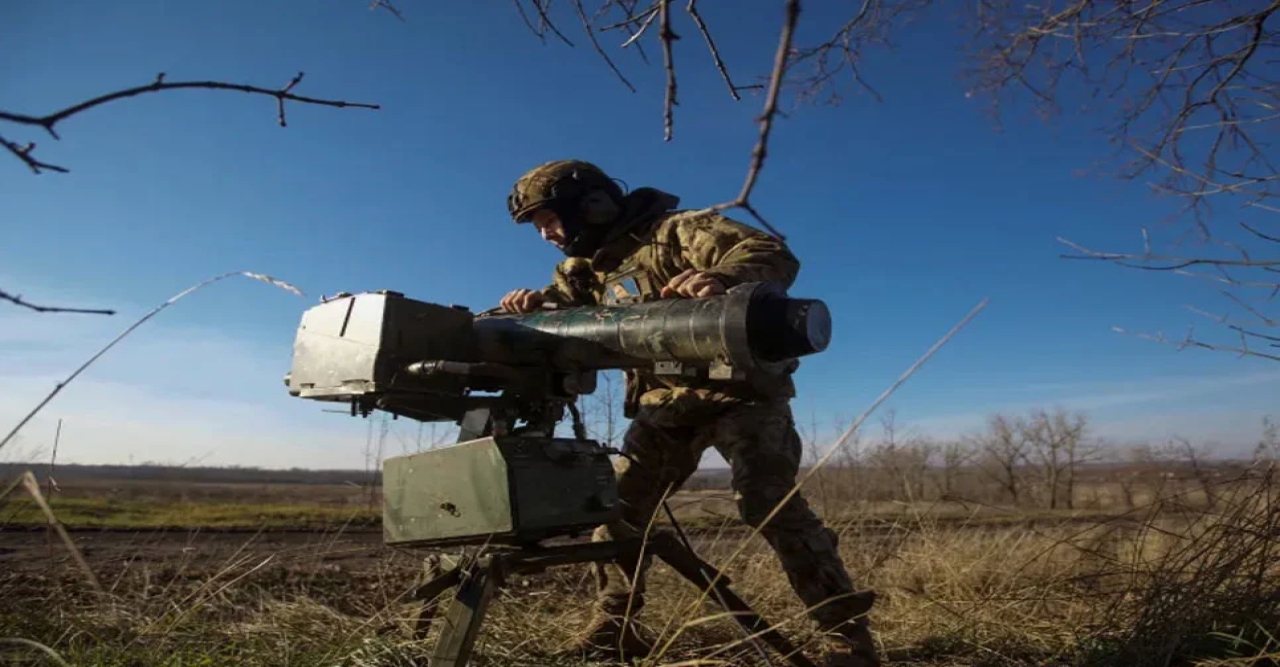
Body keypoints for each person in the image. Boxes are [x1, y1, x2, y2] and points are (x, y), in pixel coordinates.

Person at [499, 159, 881, 667]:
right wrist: (531, 305)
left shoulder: (679, 231)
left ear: (590, 203)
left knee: (769, 505)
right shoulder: (583, 269)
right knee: (616, 513)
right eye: (537, 227)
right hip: (666, 403)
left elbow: (770, 253)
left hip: (739, 391)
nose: (545, 234)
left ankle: (846, 637)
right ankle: (616, 627)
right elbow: (566, 314)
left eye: (548, 219)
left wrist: (720, 278)